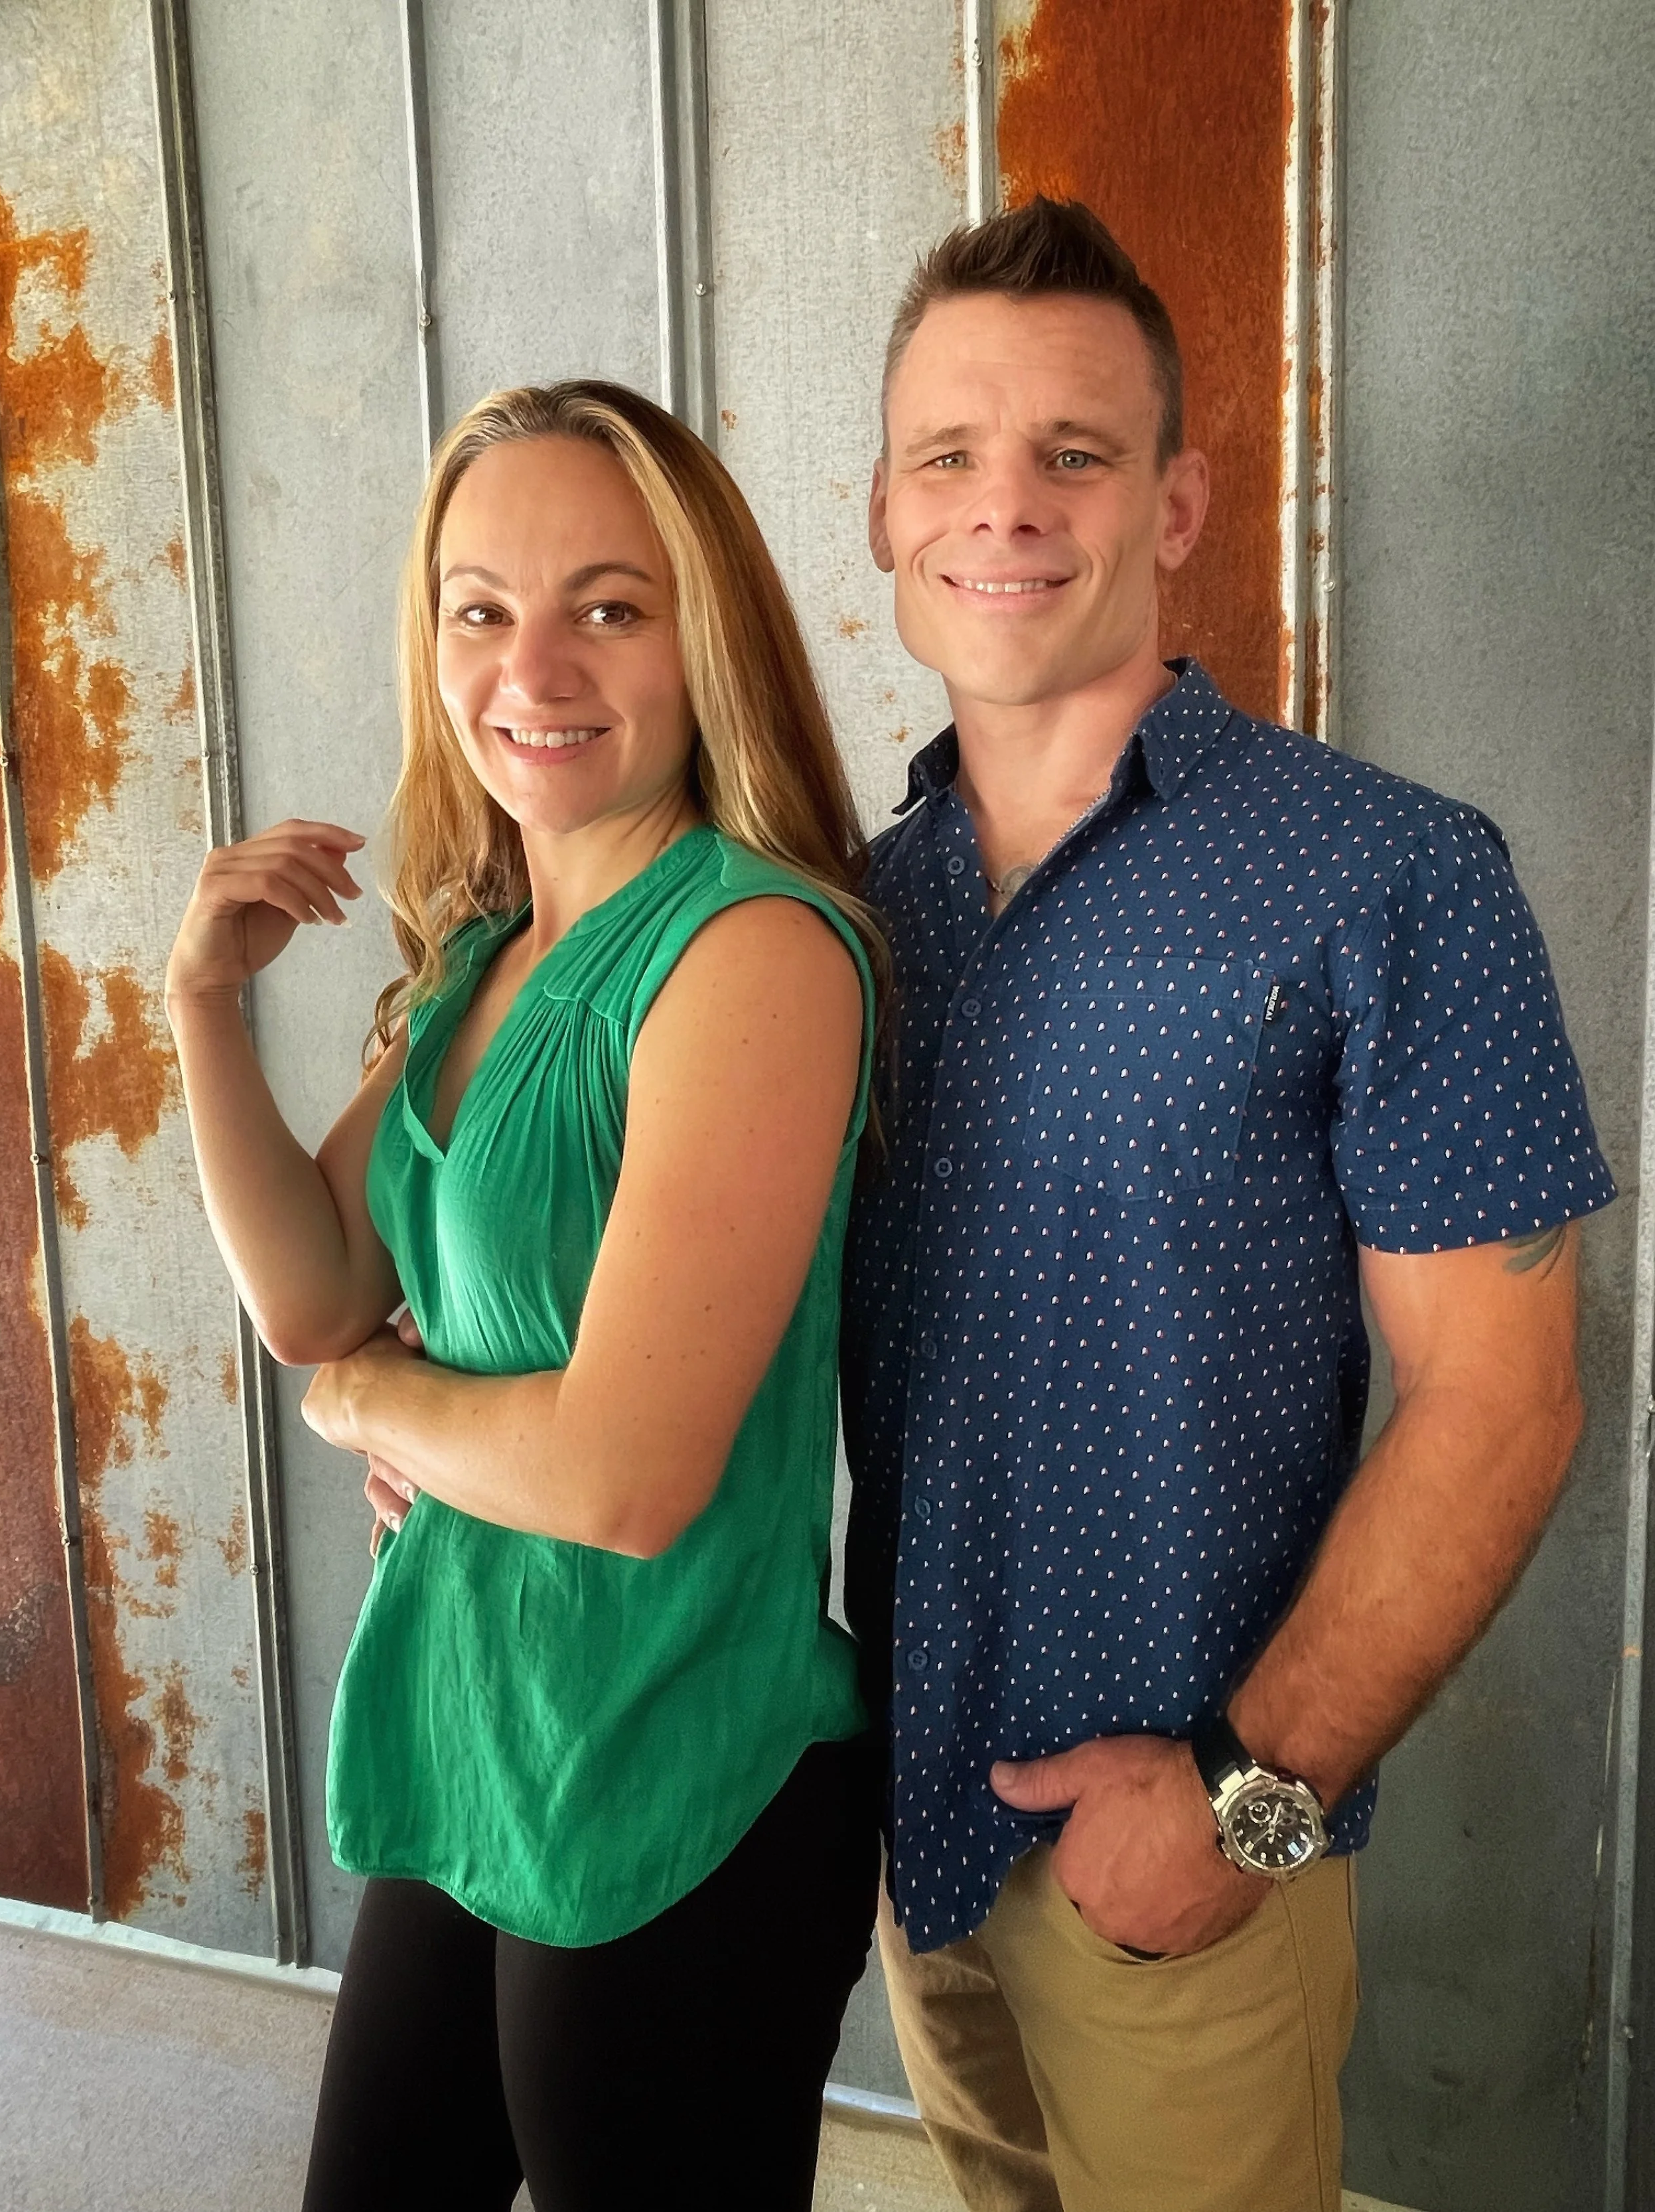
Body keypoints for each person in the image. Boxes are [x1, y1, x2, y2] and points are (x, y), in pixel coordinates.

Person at [839, 196, 1614, 2212]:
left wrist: (1244, 1810)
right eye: (949, 452)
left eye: (1075, 453)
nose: (1005, 504)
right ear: (882, 513)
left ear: (1178, 504)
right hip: (911, 1833)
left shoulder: (1389, 878)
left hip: (1190, 1863)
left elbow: (1504, 1401)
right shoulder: (837, 918)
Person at [164, 380, 887, 2211]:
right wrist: (203, 1007)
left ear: (704, 635)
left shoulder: (750, 949)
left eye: (607, 607)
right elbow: (317, 1291)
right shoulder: (484, 953)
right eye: (479, 609)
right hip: (479, 1722)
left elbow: (621, 1477)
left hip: (672, 1768)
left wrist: (378, 1407)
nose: (532, 667)